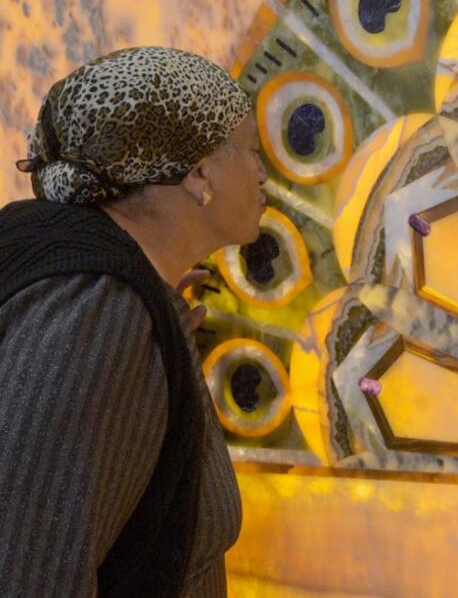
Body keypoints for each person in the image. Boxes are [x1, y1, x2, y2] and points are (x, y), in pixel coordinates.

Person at [0, 47, 267, 597]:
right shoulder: (100, 309)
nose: (264, 173)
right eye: (250, 150)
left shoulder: (110, 294)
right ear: (199, 173)